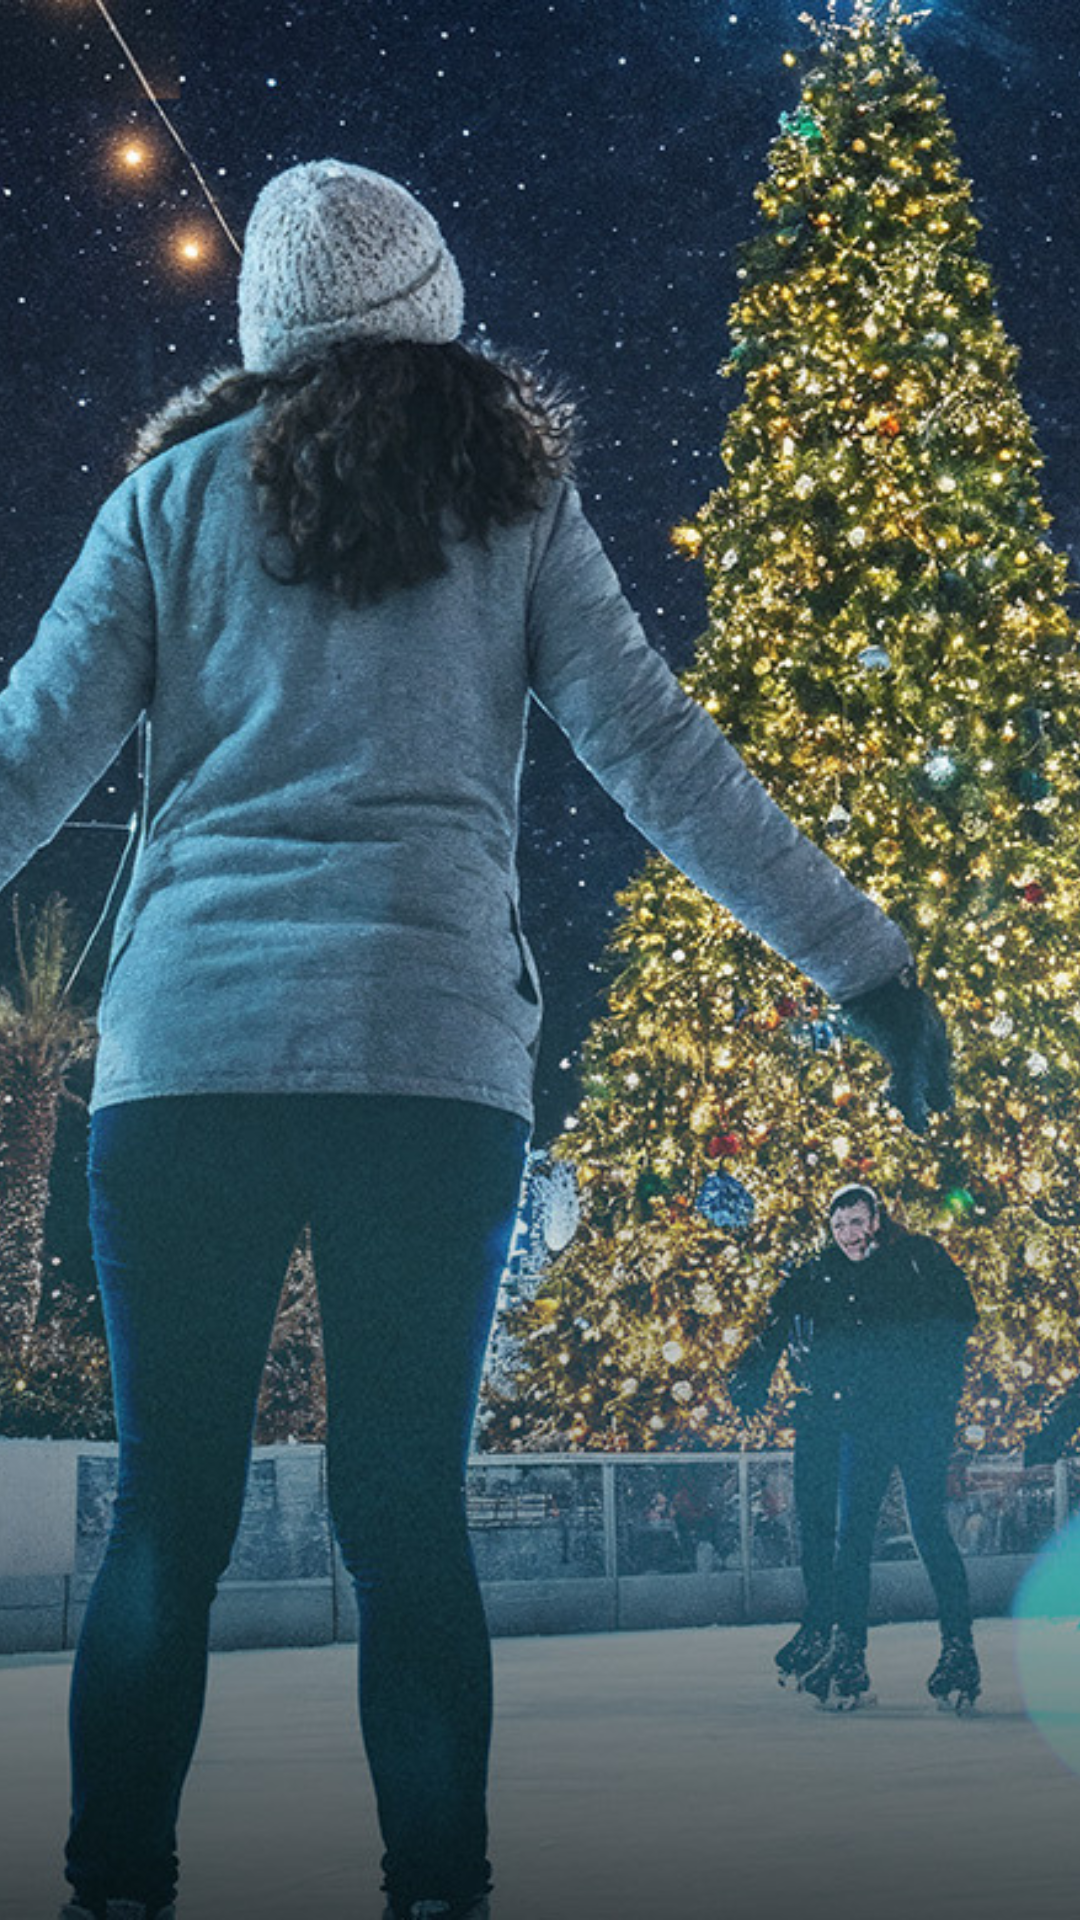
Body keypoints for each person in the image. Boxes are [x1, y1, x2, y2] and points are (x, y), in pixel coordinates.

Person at [0, 159, 951, 1920]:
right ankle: (439, 1894)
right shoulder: (515, 509)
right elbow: (661, 758)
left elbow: (20, 766)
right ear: (431, 309)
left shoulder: (166, 508)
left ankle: (112, 1892)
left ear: (265, 334)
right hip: (428, 1072)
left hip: (188, 1067)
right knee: (405, 1517)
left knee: (165, 1522)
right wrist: (867, 967)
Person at [731, 1186, 978, 1712]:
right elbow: (782, 1318)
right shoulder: (828, 1274)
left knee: (928, 1527)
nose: (850, 1234)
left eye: (858, 1221)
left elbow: (960, 1316)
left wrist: (937, 1385)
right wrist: (754, 1370)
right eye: (840, 1224)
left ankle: (958, 1648)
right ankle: (848, 1651)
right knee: (852, 1535)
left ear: (878, 1220)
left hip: (918, 1420)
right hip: (862, 1421)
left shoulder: (915, 1258)